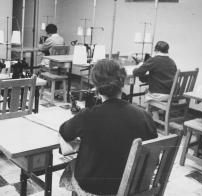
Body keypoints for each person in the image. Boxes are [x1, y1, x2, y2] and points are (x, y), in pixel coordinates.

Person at [59, 59, 157, 196]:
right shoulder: (145, 116)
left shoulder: (88, 115)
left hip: (97, 188)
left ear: (96, 86)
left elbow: (64, 132)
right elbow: (153, 152)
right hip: (135, 186)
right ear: (122, 83)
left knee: (73, 167)